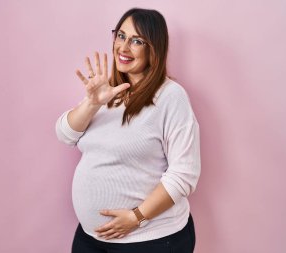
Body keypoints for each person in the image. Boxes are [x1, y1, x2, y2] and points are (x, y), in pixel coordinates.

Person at [55, 7, 200, 253]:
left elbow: (184, 174)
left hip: (149, 239)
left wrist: (137, 217)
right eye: (120, 36)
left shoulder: (170, 96)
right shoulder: (107, 91)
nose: (123, 47)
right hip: (91, 238)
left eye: (136, 41)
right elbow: (65, 135)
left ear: (154, 48)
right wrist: (92, 102)